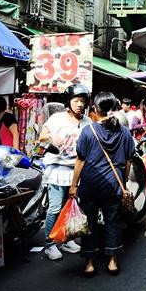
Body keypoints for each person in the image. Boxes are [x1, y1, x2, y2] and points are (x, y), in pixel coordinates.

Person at [69, 92, 135, 277]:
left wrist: (74, 185)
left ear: (95, 110)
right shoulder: (124, 132)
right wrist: (124, 181)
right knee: (113, 221)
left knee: (89, 222)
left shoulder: (88, 131)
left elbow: (80, 160)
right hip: (114, 185)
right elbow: (128, 160)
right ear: (113, 108)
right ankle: (112, 261)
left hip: (90, 185)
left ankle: (89, 263)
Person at [38, 84, 92, 261]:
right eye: (76, 101)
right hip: (58, 169)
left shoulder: (87, 122)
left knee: (71, 207)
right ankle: (49, 244)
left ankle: (67, 239)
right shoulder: (57, 119)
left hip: (77, 170)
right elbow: (41, 137)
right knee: (54, 208)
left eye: (83, 102)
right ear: (68, 102)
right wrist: (52, 138)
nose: (79, 105)